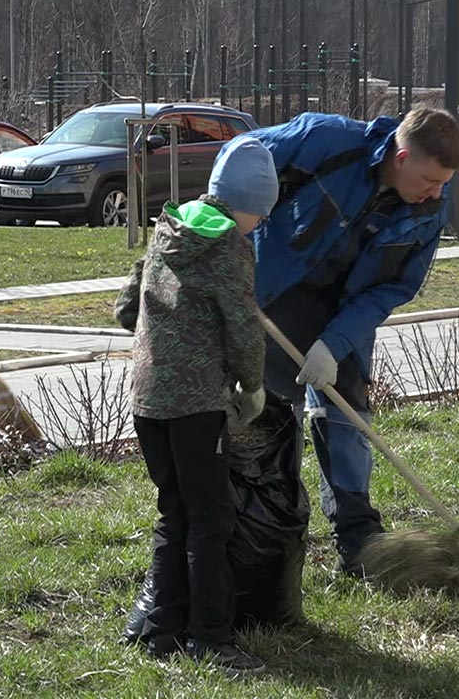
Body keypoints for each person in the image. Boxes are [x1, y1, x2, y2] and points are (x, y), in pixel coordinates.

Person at [247, 107, 459, 575]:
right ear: (401, 157)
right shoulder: (325, 142)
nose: (436, 192)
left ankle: (358, 537)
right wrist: (233, 239)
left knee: (345, 412)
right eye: (430, 179)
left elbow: (393, 288)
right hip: (274, 295)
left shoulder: (427, 212)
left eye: (444, 183)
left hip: (345, 311)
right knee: (267, 414)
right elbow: (241, 161)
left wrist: (334, 342)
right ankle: (271, 524)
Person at [114, 137, 278, 674]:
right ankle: (211, 638)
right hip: (196, 404)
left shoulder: (171, 226)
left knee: (175, 510)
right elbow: (243, 329)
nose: (258, 225)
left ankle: (159, 628)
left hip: (147, 398)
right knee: (212, 518)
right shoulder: (231, 244)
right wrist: (252, 386)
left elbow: (125, 305)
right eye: (262, 214)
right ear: (251, 204)